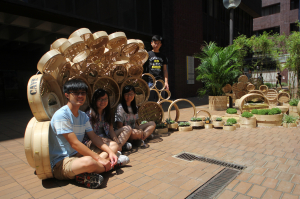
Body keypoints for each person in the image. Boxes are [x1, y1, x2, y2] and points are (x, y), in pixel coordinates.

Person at [49, 79, 119, 189]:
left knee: (114, 146)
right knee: (89, 161)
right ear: (67, 95)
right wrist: (99, 158)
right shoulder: (61, 115)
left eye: (83, 93)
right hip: (61, 162)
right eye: (76, 93)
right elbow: (74, 144)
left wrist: (110, 152)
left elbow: (94, 137)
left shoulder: (83, 116)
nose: (80, 96)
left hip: (78, 155)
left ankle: (89, 172)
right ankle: (109, 166)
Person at [144, 35, 169, 101]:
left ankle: (160, 111)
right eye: (155, 43)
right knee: (150, 100)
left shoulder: (163, 56)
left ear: (160, 44)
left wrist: (166, 82)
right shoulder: (147, 54)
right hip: (150, 81)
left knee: (160, 100)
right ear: (151, 43)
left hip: (160, 82)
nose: (156, 45)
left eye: (158, 43)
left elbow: (165, 70)